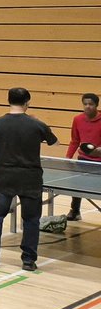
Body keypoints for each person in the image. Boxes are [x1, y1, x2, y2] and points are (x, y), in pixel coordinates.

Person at [0, 87, 58, 271]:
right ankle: (28, 261)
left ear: (8, 101)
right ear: (27, 102)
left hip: (4, 177)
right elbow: (55, 143)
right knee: (31, 219)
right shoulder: (36, 124)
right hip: (30, 178)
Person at [65, 92, 101, 221]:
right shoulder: (77, 119)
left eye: (91, 104)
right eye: (85, 104)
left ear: (96, 105)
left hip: (100, 161)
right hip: (83, 159)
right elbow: (75, 140)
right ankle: (75, 211)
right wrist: (68, 158)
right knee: (76, 185)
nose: (87, 106)